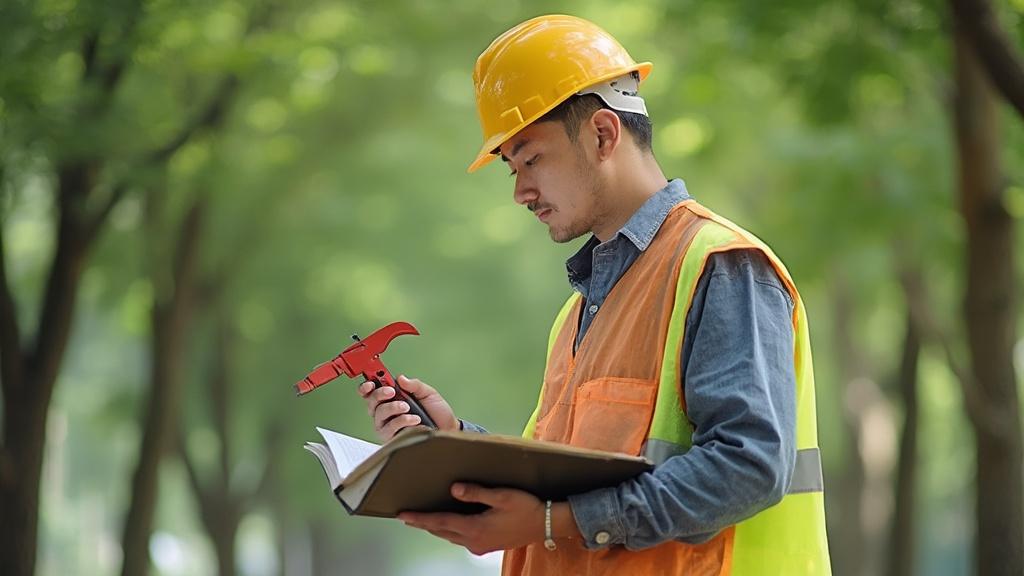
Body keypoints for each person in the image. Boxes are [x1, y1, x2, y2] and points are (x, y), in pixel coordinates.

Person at [358, 14, 831, 576]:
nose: (520, 191)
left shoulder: (718, 266)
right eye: (510, 168)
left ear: (603, 134)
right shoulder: (580, 311)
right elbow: (561, 478)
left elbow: (748, 466)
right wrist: (453, 444)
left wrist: (556, 522)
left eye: (530, 159)